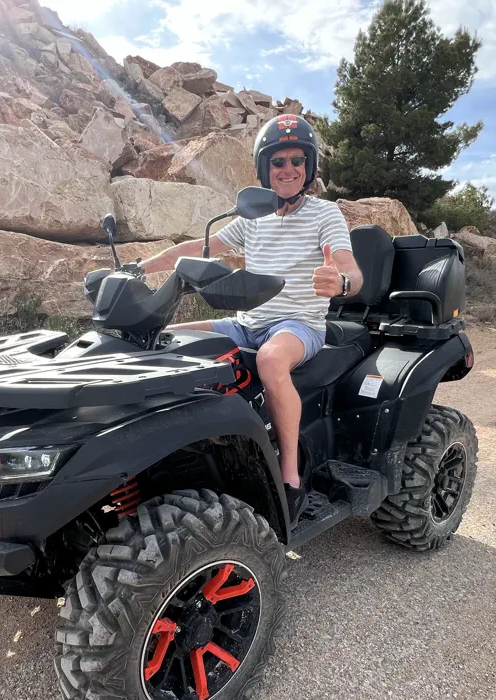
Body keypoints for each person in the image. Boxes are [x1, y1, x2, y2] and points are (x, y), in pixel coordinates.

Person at [139, 115, 364, 523]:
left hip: (297, 325)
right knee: (162, 338)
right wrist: (143, 267)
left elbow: (349, 266)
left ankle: (290, 477)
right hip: (247, 323)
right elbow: (200, 248)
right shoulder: (253, 218)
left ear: (309, 167)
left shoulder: (325, 214)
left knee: (271, 360)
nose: (288, 169)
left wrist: (342, 281)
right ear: (265, 169)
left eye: (298, 160)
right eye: (279, 162)